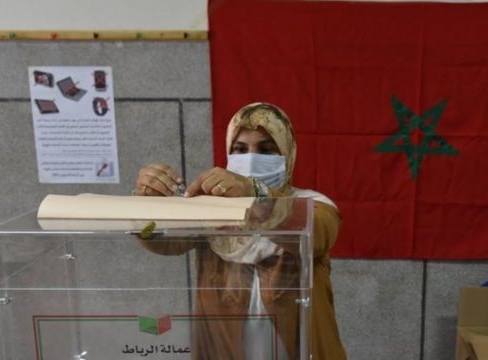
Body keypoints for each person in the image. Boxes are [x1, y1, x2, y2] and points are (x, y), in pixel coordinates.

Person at [135, 102, 347, 360]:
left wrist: (257, 196)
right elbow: (160, 240)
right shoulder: (212, 210)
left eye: (266, 150)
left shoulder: (311, 204)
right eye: (240, 149)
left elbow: (321, 233)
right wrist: (146, 201)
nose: (250, 159)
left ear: (288, 154)